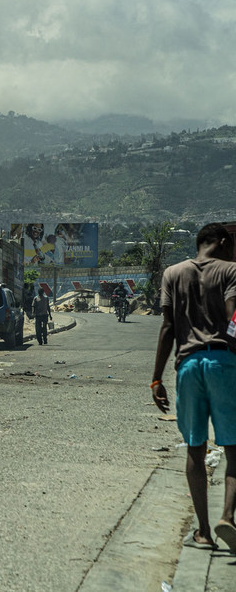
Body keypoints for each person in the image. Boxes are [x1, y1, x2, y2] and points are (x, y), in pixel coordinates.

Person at [151, 222, 236, 551]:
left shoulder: (173, 273)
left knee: (195, 449)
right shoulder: (231, 271)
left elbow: (167, 327)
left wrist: (156, 378)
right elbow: (233, 316)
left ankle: (202, 531)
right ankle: (227, 516)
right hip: (224, 363)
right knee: (233, 448)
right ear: (223, 242)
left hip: (187, 366)